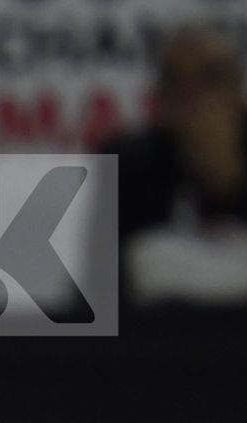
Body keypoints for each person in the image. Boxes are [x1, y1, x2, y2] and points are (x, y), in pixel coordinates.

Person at [100, 25, 247, 304]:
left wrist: (227, 182)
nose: (193, 95)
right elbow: (106, 272)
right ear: (161, 95)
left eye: (210, 78)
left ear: (236, 88)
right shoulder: (129, 161)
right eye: (177, 82)